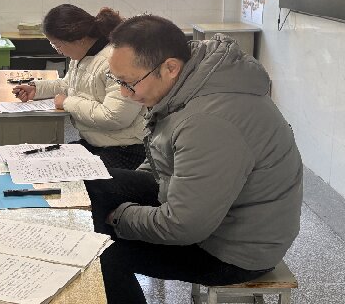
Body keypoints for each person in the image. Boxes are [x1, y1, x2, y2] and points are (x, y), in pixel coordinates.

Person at [85, 15, 303, 304]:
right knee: (97, 185)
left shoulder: (208, 120)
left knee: (101, 255)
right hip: (214, 213)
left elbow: (184, 225)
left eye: (129, 83)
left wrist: (121, 218)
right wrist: (127, 195)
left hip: (234, 250)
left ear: (170, 67)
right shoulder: (194, 84)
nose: (125, 93)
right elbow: (163, 159)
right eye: (118, 82)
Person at [12, 4, 147, 170]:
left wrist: (67, 102)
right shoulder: (82, 56)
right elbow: (68, 85)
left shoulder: (115, 61)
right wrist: (37, 89)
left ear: (79, 39)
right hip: (98, 142)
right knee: (40, 160)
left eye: (58, 45)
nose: (58, 51)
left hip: (125, 150)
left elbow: (114, 117)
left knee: (62, 173)